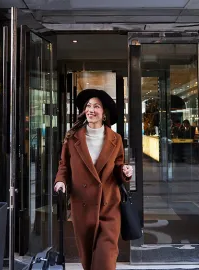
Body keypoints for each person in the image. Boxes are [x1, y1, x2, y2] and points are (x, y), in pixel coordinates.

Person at [53, 89, 133, 270]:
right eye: (88, 106)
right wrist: (60, 181)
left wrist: (125, 172)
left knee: (105, 258)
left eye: (96, 106)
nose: (91, 109)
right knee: (88, 261)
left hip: (109, 205)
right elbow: (64, 166)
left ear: (104, 113)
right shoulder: (73, 139)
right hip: (83, 206)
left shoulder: (116, 139)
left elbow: (118, 166)